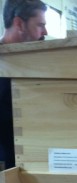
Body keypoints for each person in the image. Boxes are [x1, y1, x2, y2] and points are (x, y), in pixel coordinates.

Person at [0, 0, 47, 170]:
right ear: (19, 23)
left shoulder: (34, 63)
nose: (45, 32)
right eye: (40, 25)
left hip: (33, 161)